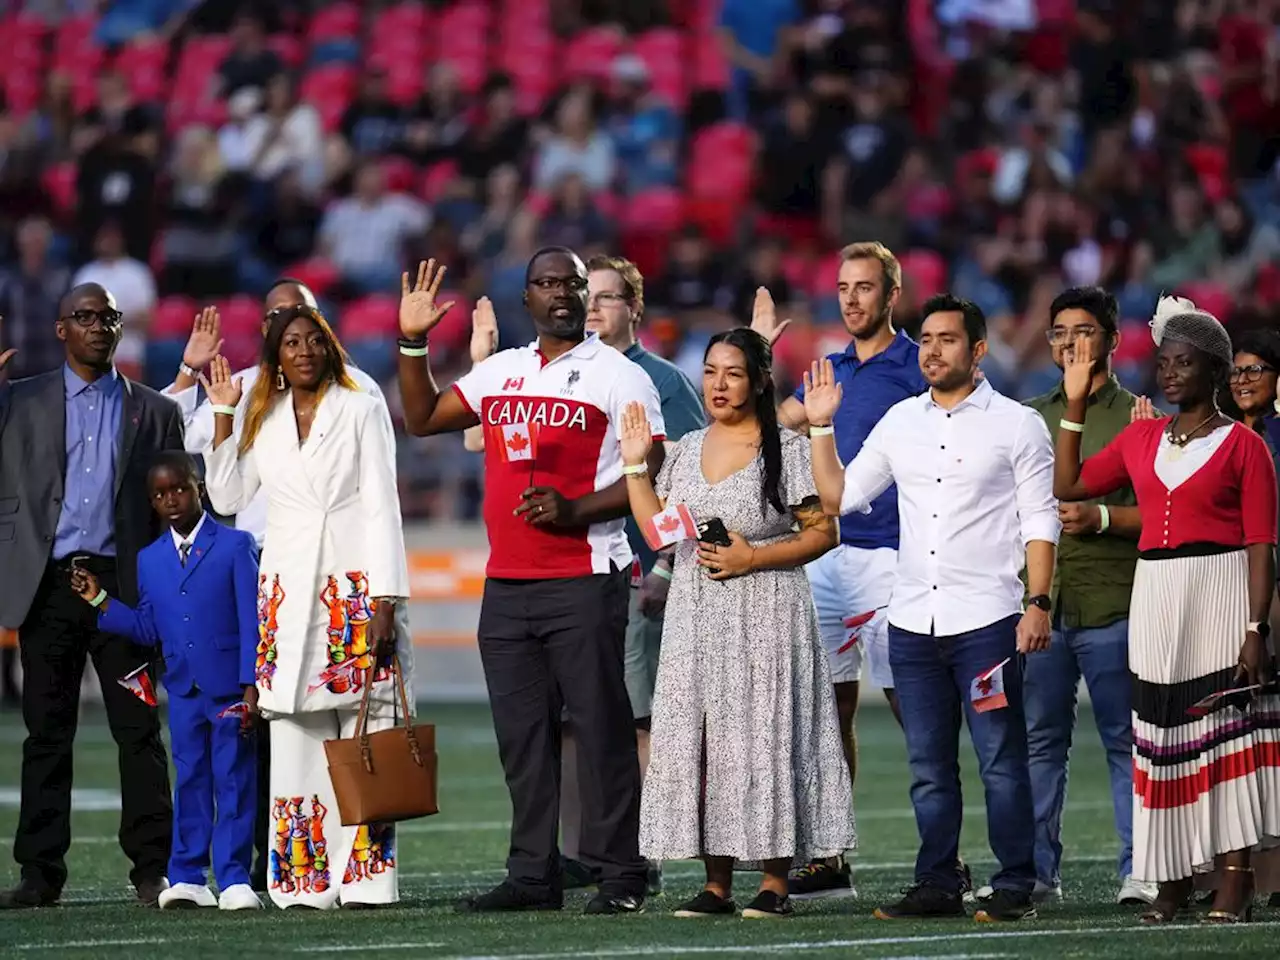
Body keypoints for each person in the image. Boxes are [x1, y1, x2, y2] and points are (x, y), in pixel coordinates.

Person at [396, 253, 665, 915]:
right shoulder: (503, 370)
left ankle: (623, 874)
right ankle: (533, 876)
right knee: (522, 740)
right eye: (548, 283)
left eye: (573, 284)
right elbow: (424, 416)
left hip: (586, 577)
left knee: (601, 733)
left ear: (587, 297)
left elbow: (649, 464)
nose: (563, 294)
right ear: (528, 296)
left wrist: (575, 510)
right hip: (508, 584)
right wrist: (411, 342)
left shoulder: (620, 376)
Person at [808, 294, 1059, 923]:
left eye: (947, 339)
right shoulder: (900, 421)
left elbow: (1041, 521)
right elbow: (838, 497)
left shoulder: (1018, 424)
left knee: (1000, 761)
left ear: (978, 351)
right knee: (928, 767)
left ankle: (1014, 884)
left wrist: (1038, 602)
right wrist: (819, 428)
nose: (932, 350)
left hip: (989, 622)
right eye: (925, 339)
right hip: (913, 621)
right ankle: (937, 883)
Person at [617, 327, 855, 919]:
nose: (719, 385)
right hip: (697, 614)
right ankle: (715, 884)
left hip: (770, 608)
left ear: (757, 381)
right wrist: (633, 466)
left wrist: (754, 556)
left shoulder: (788, 448)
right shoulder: (687, 448)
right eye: (711, 372)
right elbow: (660, 535)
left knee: (765, 738)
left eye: (732, 373)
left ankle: (775, 883)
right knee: (704, 742)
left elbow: (824, 532)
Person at [1054, 296, 1277, 924]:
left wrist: (1255, 628)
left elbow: (1263, 544)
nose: (1170, 372)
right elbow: (1067, 485)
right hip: (1154, 593)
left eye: (1184, 363)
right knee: (1161, 738)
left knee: (1225, 741)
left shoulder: (1243, 446)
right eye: (1164, 362)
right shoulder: (1140, 434)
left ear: (1213, 371)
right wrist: (1074, 403)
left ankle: (1235, 882)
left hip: (1222, 588)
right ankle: (1172, 881)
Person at [164, 277, 390, 891]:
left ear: (327, 336)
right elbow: (230, 494)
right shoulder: (253, 401)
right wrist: (218, 415)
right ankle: (298, 877)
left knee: (361, 724)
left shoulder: (361, 398)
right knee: (286, 723)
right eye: (282, 330)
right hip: (282, 581)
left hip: (351, 581)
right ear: (271, 341)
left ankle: (364, 877)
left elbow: (384, 507)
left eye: (307, 330)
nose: (298, 344)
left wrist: (388, 595)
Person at [0, 283, 182, 909]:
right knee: (46, 732)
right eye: (84, 316)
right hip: (47, 588)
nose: (99, 326)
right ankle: (39, 874)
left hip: (122, 593)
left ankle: (153, 870)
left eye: (108, 317)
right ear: (60, 330)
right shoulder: (16, 401)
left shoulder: (155, 410)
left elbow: (171, 512)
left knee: (138, 730)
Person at [756, 240, 928, 900]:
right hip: (827, 553)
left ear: (892, 295)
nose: (851, 298)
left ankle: (942, 857)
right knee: (828, 713)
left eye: (864, 287)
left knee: (917, 710)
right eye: (843, 287)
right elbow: (769, 429)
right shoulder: (828, 370)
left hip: (897, 556)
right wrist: (758, 357)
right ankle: (829, 859)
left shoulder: (919, 365)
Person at [1010, 287, 1155, 907]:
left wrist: (1101, 517)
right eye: (1059, 332)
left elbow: (1167, 516)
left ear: (1114, 340)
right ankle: (1039, 876)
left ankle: (1140, 869)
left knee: (1127, 741)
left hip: (1114, 600)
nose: (1070, 343)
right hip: (1041, 601)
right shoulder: (1028, 417)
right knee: (1040, 743)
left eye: (1084, 331)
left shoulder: (1140, 418)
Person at [69, 451, 262, 911]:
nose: (171, 499)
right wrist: (100, 600)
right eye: (160, 494)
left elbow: (253, 620)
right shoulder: (150, 559)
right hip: (181, 689)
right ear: (151, 503)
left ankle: (234, 878)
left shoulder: (236, 545)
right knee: (190, 779)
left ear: (199, 487)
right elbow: (148, 627)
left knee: (234, 781)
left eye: (179, 488)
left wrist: (252, 685)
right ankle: (189, 876)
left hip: (231, 689)